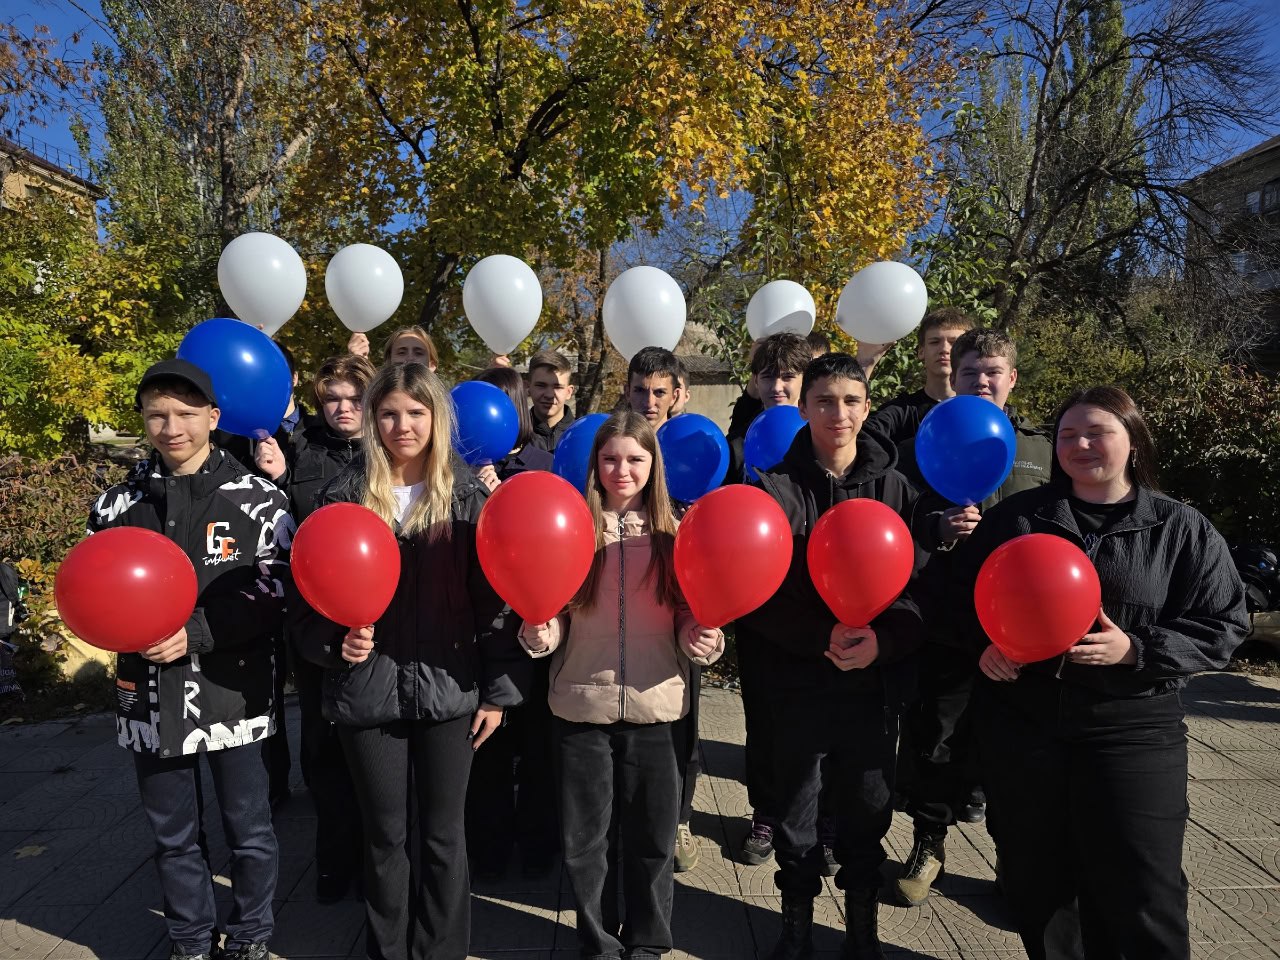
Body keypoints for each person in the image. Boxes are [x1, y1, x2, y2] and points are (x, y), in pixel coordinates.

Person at [956, 386, 1249, 959]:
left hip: (1132, 728)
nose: (1081, 444)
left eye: (1097, 432)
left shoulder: (1179, 528)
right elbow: (952, 600)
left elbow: (1224, 623)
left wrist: (1137, 649)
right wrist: (981, 646)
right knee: (1037, 879)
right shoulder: (1017, 520)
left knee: (1143, 880)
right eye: (1067, 435)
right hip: (1026, 724)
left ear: (1133, 443)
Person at [289, 362, 528, 960]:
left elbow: (493, 605)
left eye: (416, 413)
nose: (403, 425)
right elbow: (305, 602)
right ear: (372, 419)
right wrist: (332, 644)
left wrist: (498, 691)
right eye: (390, 413)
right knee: (385, 837)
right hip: (367, 694)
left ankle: (440, 951)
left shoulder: (469, 498)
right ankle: (388, 952)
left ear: (437, 418)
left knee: (445, 837)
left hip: (452, 690)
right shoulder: (340, 497)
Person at [89, 359, 293, 960]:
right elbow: (95, 586)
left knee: (248, 830)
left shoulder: (260, 501)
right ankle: (189, 937)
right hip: (147, 695)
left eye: (184, 413)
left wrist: (198, 631)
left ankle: (251, 931)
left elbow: (277, 591)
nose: (170, 426)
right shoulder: (115, 504)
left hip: (233, 689)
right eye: (156, 414)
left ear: (213, 417)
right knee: (172, 834)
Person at [518, 410, 724, 960]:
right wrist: (540, 632)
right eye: (610, 458)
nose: (622, 470)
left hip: (659, 705)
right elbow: (555, 608)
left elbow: (691, 609)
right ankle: (599, 942)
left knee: (653, 839)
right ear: (595, 464)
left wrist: (702, 636)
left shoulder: (675, 533)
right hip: (580, 704)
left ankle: (649, 941)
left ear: (653, 463)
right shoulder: (570, 529)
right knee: (586, 843)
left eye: (635, 458)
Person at [738, 352, 924, 960]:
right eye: (823, 401)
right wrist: (815, 637)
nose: (837, 413)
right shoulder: (772, 488)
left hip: (871, 689)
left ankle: (862, 926)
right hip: (796, 684)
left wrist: (884, 642)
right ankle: (795, 922)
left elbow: (918, 593)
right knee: (793, 813)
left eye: (849, 401)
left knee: (867, 811)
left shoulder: (897, 490)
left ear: (867, 408)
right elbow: (755, 596)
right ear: (804, 408)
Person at [892, 328, 1052, 907]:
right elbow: (898, 523)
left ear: (1011, 379)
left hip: (1023, 632)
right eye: (969, 374)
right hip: (948, 625)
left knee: (1013, 750)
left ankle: (1015, 856)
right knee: (937, 742)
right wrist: (938, 527)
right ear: (950, 377)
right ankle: (927, 843)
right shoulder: (919, 446)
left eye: (992, 373)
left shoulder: (1043, 448)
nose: (980, 382)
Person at [256, 353, 376, 902]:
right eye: (332, 399)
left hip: (379, 618)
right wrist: (278, 481)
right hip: (317, 621)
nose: (343, 409)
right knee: (324, 746)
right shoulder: (298, 449)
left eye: (354, 399)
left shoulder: (390, 450)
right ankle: (334, 861)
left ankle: (379, 857)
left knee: (375, 747)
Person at [464, 364, 559, 879]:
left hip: (536, 633)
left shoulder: (543, 463)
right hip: (483, 639)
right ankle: (490, 850)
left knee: (541, 752)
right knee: (489, 753)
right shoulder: (451, 475)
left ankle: (541, 850)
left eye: (505, 401)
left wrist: (503, 491)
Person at [731, 332, 818, 867]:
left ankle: (822, 819)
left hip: (817, 597)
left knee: (817, 716)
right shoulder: (736, 438)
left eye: (789, 375)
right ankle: (765, 814)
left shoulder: (825, 434)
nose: (778, 385)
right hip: (757, 601)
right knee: (762, 716)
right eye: (769, 375)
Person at [863, 307, 976, 446]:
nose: (944, 349)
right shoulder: (902, 411)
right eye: (935, 342)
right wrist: (865, 365)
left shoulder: (984, 411)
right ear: (921, 351)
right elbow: (856, 437)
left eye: (954, 342)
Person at [526, 349, 577, 453]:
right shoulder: (514, 435)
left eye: (557, 387)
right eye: (541, 385)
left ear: (569, 392)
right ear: (528, 388)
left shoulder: (584, 435)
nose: (549, 395)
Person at [623, 346, 686, 428]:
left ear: (674, 396)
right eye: (640, 391)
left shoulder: (691, 439)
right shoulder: (607, 439)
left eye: (660, 392)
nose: (649, 403)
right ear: (628, 393)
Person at [347, 326, 440, 370]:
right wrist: (357, 362)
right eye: (402, 352)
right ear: (388, 360)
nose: (410, 358)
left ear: (432, 365)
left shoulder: (448, 404)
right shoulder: (374, 398)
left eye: (418, 353)